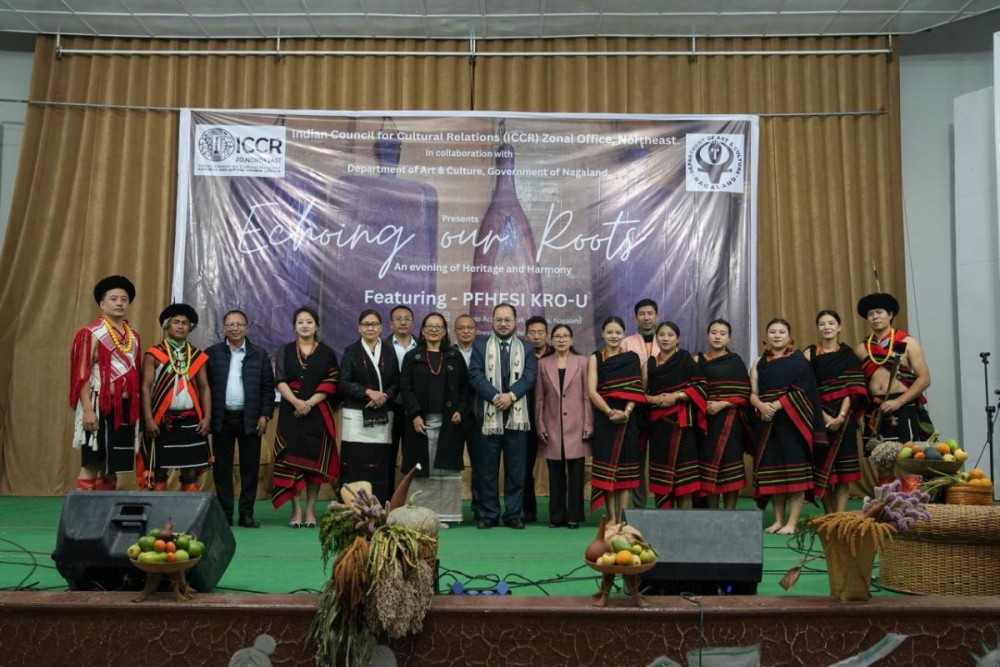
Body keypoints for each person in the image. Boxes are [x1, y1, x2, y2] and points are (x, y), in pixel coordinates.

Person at [749, 318, 826, 534]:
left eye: (781, 331)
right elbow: (752, 393)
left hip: (794, 423)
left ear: (789, 336)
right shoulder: (759, 362)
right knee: (773, 475)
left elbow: (804, 390)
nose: (776, 335)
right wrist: (761, 406)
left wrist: (776, 404)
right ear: (766, 337)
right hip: (767, 423)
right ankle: (778, 520)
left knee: (795, 475)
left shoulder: (800, 361)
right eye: (772, 331)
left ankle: (792, 523)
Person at [468, 303, 538, 529]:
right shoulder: (479, 347)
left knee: (516, 471)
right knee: (487, 471)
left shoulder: (527, 348)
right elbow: (475, 375)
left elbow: (529, 376)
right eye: (499, 319)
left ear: (515, 321)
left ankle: (513, 515)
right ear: (492, 322)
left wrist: (511, 396)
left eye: (507, 319)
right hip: (489, 419)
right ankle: (489, 515)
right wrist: (496, 397)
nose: (503, 323)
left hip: (517, 420)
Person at [69, 275, 141, 491]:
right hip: (99, 405)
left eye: (124, 299)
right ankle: (82, 518)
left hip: (125, 409)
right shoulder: (91, 333)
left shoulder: (133, 337)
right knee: (93, 462)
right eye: (113, 299)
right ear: (102, 303)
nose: (119, 303)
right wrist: (88, 411)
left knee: (113, 466)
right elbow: (80, 375)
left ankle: (106, 518)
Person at [205, 309, 275, 528]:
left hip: (250, 418)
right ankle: (225, 513)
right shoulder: (212, 353)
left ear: (247, 328)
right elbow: (203, 388)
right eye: (230, 324)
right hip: (221, 418)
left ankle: (246, 514)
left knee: (250, 468)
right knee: (222, 468)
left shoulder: (260, 354)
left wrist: (265, 414)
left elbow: (267, 388)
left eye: (239, 324)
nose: (235, 328)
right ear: (223, 328)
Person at [271, 307, 339, 528]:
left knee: (314, 467)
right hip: (291, 414)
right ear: (294, 326)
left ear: (316, 326)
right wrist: (296, 402)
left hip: (317, 414)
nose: (305, 325)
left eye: (309, 322)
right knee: (291, 464)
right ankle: (296, 512)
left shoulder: (327, 352)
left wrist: (309, 403)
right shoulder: (286, 350)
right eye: (300, 322)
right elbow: (280, 379)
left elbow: (332, 381)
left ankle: (310, 511)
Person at [399, 312, 471, 521]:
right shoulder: (413, 357)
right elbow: (405, 388)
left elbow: (465, 389)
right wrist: (414, 415)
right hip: (420, 424)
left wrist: (460, 410)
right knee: (422, 470)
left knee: (445, 471)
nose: (434, 329)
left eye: (438, 326)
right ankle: (420, 516)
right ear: (422, 331)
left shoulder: (454, 357)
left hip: (449, 424)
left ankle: (446, 515)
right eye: (429, 326)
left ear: (445, 331)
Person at [139, 304, 211, 492]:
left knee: (190, 472)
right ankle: (157, 514)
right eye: (176, 322)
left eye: (185, 323)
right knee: (159, 471)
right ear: (166, 326)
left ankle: (188, 516)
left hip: (191, 420)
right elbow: (146, 388)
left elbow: (204, 388)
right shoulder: (153, 354)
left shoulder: (197, 356)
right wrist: (148, 419)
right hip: (162, 420)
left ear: (190, 327)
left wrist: (207, 418)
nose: (180, 326)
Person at [804, 310, 868, 514]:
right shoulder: (810, 353)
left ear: (839, 327)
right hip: (818, 415)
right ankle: (829, 516)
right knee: (824, 470)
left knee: (843, 472)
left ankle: (839, 516)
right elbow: (807, 389)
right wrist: (824, 417)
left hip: (844, 417)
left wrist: (840, 417)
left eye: (831, 323)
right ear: (818, 328)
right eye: (822, 324)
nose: (827, 327)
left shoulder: (848, 354)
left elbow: (852, 389)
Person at [854, 292, 934, 444]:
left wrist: (898, 402)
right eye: (870, 314)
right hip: (875, 408)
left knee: (906, 458)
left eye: (879, 312)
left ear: (890, 314)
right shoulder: (862, 348)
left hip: (902, 406)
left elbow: (924, 379)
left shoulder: (907, 343)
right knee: (878, 460)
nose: (875, 317)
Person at [643, 321, 707, 509]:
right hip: (659, 428)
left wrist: (676, 396)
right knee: (662, 476)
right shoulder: (650, 363)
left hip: (682, 427)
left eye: (670, 335)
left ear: (677, 338)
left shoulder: (686, 360)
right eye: (661, 335)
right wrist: (655, 400)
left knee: (684, 478)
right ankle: (665, 520)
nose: (665, 338)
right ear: (656, 338)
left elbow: (701, 387)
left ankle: (684, 520)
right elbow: (640, 394)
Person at [588, 316, 645, 523]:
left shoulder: (631, 358)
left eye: (618, 332)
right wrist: (610, 412)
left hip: (628, 420)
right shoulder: (596, 357)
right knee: (607, 469)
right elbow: (592, 391)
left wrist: (626, 413)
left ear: (623, 334)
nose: (614, 336)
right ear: (603, 334)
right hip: (605, 419)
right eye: (609, 332)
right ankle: (611, 517)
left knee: (626, 470)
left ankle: (623, 517)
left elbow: (636, 389)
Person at [535, 324, 592, 528]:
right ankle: (556, 517)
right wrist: (540, 424)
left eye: (565, 336)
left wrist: (588, 424)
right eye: (557, 336)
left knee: (577, 475)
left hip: (577, 426)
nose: (561, 340)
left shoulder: (582, 362)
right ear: (552, 339)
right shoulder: (543, 364)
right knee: (555, 475)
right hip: (552, 426)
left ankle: (574, 517)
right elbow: (540, 398)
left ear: (572, 340)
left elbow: (587, 396)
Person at [339, 309, 398, 504]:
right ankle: (352, 504)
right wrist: (367, 392)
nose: (370, 328)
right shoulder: (351, 351)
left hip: (383, 411)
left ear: (381, 328)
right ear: (359, 328)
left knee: (380, 459)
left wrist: (385, 395)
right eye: (365, 324)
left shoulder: (389, 351)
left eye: (374, 324)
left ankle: (380, 504)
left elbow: (397, 382)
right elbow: (344, 382)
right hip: (356, 414)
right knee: (355, 458)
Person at [693, 319, 752, 509]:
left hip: (730, 422)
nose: (717, 336)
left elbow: (744, 393)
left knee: (730, 465)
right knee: (709, 466)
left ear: (729, 337)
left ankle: (730, 513)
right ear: (707, 335)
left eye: (722, 333)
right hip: (705, 422)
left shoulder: (735, 361)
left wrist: (723, 404)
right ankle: (712, 512)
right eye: (714, 332)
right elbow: (692, 389)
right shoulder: (697, 360)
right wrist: (705, 405)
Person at [621, 298, 660, 509]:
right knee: (636, 458)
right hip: (635, 408)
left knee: (662, 456)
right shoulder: (626, 343)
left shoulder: (667, 339)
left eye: (650, 313)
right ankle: (639, 507)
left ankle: (665, 506)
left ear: (657, 316)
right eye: (642, 313)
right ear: (636, 317)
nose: (646, 317)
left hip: (664, 406)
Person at [523, 315, 553, 523]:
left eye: (540, 332)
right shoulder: (521, 354)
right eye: (532, 332)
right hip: (525, 417)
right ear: (526, 335)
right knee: (524, 467)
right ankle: (528, 510)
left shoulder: (559, 354)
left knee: (557, 467)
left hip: (553, 418)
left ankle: (559, 512)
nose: (536, 336)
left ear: (547, 334)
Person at [385, 305, 417, 498]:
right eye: (398, 319)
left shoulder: (421, 346)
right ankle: (387, 499)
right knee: (388, 455)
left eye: (407, 318)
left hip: (414, 410)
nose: (403, 322)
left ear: (413, 323)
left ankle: (411, 498)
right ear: (391, 324)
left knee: (412, 456)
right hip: (389, 407)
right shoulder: (382, 346)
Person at [452, 313, 482, 520]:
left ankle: (480, 507)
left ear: (475, 331)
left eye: (469, 328)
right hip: (454, 417)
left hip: (479, 416)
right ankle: (450, 508)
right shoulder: (448, 353)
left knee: (480, 464)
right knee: (451, 464)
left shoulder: (483, 352)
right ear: (455, 331)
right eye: (461, 328)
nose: (465, 331)